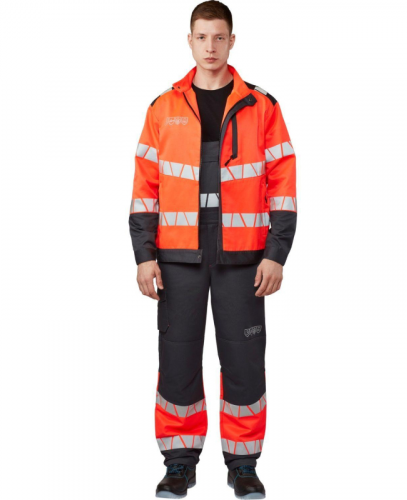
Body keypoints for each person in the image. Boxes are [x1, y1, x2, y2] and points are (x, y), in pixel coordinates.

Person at [129, 2, 297, 498]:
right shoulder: (163, 108)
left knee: (244, 361)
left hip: (243, 258)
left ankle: (243, 465)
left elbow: (282, 183)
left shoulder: (261, 106)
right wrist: (143, 254)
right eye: (201, 37)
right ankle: (179, 463)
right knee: (177, 360)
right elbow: (145, 186)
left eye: (219, 37)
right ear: (189, 41)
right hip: (176, 257)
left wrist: (276, 253)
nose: (210, 47)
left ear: (231, 41)